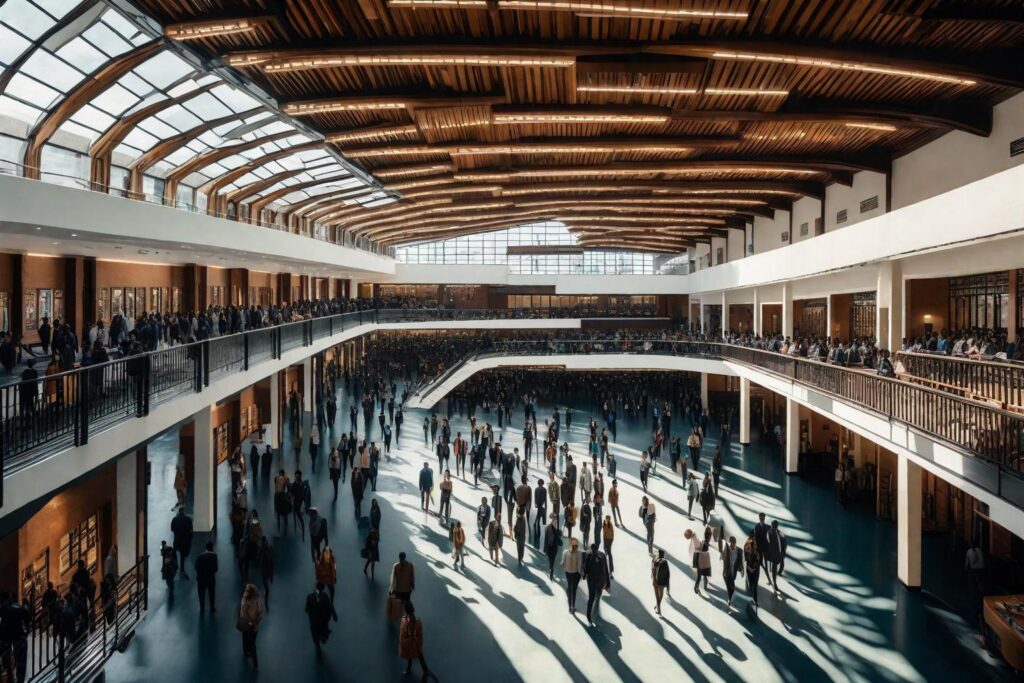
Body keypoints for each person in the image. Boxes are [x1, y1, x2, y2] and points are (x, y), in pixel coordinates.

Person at [399, 601, 432, 679]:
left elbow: (405, 632)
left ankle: (409, 669)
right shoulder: (417, 619)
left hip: (411, 641)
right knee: (420, 655)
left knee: (409, 656)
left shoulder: (407, 621)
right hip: (416, 640)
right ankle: (425, 669)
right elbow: (419, 631)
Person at [582, 542, 611, 625]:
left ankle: (593, 614)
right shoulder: (589, 555)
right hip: (592, 581)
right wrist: (584, 574)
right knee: (592, 598)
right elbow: (586, 567)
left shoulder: (600, 556)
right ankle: (589, 615)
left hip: (598, 581)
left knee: (596, 598)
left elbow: (605, 569)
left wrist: (607, 583)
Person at [305, 582, 338, 652]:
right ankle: (323, 637)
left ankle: (317, 645)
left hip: (313, 621)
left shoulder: (309, 597)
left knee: (314, 634)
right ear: (323, 588)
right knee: (323, 631)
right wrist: (333, 615)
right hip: (323, 621)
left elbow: (307, 610)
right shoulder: (325, 597)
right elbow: (329, 608)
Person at [238, 584, 264, 671]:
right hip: (254, 626)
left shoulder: (244, 600)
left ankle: (246, 652)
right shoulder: (258, 601)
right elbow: (260, 613)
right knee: (252, 643)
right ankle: (254, 662)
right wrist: (255, 622)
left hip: (246, 624)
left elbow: (243, 614)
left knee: (245, 638)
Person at [194, 541, 218, 615]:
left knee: (201, 593)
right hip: (210, 577)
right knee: (211, 593)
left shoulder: (200, 555)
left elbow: (196, 566)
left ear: (206, 547)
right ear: (212, 547)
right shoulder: (214, 555)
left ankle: (202, 607)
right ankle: (212, 607)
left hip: (201, 577)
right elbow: (216, 569)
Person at [721, 536, 744, 609]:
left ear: (735, 543)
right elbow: (721, 557)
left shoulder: (739, 551)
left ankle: (730, 601)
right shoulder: (726, 550)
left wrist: (741, 570)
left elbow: (741, 562)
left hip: (733, 574)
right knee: (730, 588)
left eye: (732, 544)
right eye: (730, 544)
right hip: (726, 573)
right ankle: (729, 601)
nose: (731, 546)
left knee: (732, 588)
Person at [561, 537, 583, 615]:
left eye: (576, 546)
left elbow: (562, 562)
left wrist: (564, 566)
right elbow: (579, 566)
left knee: (571, 589)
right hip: (574, 574)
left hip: (569, 573)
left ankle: (571, 606)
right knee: (573, 590)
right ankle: (572, 606)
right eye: (575, 546)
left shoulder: (565, 552)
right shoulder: (578, 553)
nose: (575, 547)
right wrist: (580, 575)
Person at [171, 507, 194, 578]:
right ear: (184, 512)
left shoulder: (174, 519)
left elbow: (172, 529)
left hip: (177, 540)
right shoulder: (188, 520)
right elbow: (191, 530)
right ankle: (182, 569)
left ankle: (175, 567)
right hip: (184, 541)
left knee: (174, 553)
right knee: (182, 556)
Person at [766, 520, 787, 591]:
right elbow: (768, 540)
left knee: (781, 565)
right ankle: (774, 583)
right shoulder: (770, 532)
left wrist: (783, 552)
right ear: (771, 525)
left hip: (781, 553)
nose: (773, 527)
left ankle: (779, 573)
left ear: (777, 526)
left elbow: (784, 541)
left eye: (775, 526)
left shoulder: (779, 532)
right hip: (774, 555)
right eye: (772, 525)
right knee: (774, 569)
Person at [744, 534, 761, 609]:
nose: (752, 548)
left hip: (755, 572)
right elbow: (746, 563)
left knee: (755, 588)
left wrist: (752, 569)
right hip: (750, 572)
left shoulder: (757, 554)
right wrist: (749, 568)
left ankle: (755, 601)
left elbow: (757, 563)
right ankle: (751, 600)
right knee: (751, 587)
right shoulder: (748, 554)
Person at [543, 513, 562, 580]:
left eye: (555, 520)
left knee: (552, 560)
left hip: (552, 547)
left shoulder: (548, 528)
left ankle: (551, 570)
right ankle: (551, 570)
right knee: (551, 560)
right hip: (551, 547)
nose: (555, 521)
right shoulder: (550, 528)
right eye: (554, 519)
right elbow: (547, 538)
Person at [652, 549, 670, 615]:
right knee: (661, 595)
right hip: (661, 582)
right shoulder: (665, 562)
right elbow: (668, 573)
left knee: (658, 596)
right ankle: (658, 608)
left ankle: (657, 607)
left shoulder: (656, 561)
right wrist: (667, 584)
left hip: (655, 581)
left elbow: (653, 570)